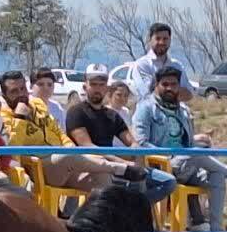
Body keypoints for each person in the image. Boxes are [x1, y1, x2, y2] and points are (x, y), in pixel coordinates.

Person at [133, 66, 227, 231]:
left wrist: (198, 142)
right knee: (195, 154)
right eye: (165, 84)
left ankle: (215, 230)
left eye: (174, 84)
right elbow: (141, 143)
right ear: (156, 84)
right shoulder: (146, 109)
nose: (170, 88)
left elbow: (188, 142)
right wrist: (171, 153)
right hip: (161, 164)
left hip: (186, 164)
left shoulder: (183, 110)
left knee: (217, 174)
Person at [1, 70, 147, 193]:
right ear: (4, 95)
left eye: (23, 89)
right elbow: (14, 147)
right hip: (38, 167)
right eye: (14, 91)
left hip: (65, 164)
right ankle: (117, 168)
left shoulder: (37, 104)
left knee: (101, 178)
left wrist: (71, 148)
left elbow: (57, 132)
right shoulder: (4, 115)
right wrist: (19, 118)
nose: (21, 94)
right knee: (68, 156)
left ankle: (93, 224)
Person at [67, 66, 176, 204]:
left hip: (118, 167)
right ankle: (129, 213)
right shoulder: (76, 112)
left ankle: (132, 209)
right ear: (85, 86)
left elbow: (131, 141)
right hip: (91, 168)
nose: (97, 88)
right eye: (93, 84)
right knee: (124, 179)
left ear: (106, 88)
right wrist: (123, 163)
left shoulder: (112, 115)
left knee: (168, 182)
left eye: (101, 85)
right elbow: (88, 147)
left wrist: (136, 155)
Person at [131, 22, 193, 103]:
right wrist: (175, 91)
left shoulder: (177, 66)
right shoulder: (142, 65)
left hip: (175, 114)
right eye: (158, 38)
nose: (161, 42)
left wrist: (161, 90)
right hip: (149, 114)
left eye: (165, 39)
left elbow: (188, 94)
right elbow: (147, 94)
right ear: (150, 40)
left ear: (170, 40)